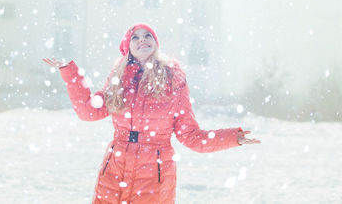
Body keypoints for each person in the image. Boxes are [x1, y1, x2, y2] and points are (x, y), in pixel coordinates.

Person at [43, 23, 260, 204]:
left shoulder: (174, 80)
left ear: (156, 45)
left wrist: (233, 138)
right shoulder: (118, 80)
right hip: (113, 170)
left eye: (148, 36)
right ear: (128, 47)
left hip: (154, 176)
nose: (142, 39)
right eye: (135, 37)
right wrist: (71, 74)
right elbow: (88, 111)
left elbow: (191, 136)